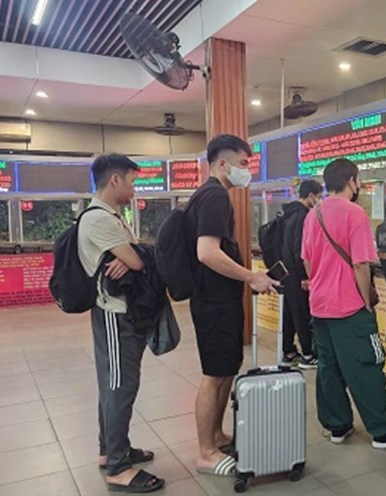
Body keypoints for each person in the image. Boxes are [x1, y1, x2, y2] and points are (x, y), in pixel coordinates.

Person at [302, 158, 386, 449]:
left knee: (329, 368)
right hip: (349, 306)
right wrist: (366, 301)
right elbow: (360, 265)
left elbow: (306, 260)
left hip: (319, 305)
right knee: (366, 365)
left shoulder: (313, 214)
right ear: (352, 181)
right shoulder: (354, 213)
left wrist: (321, 282)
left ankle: (337, 425)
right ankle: (384, 431)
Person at [186, 134, 280, 476]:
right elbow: (207, 252)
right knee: (214, 376)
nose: (247, 171)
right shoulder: (214, 197)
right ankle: (206, 452)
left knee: (225, 370)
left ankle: (216, 435)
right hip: (213, 302)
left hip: (219, 301)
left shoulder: (211, 195)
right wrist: (250, 277)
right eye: (243, 164)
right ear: (221, 163)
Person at [78, 154, 165, 492]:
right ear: (114, 180)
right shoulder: (99, 219)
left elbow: (135, 255)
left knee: (115, 385)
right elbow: (140, 259)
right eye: (131, 181)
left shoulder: (112, 215)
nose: (134, 188)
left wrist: (133, 256)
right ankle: (118, 467)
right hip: (114, 315)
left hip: (121, 313)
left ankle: (111, 449)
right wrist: (134, 257)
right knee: (120, 387)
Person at [280, 179, 323, 369]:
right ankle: (308, 354)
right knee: (302, 314)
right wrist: (305, 276)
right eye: (319, 196)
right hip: (298, 275)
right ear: (311, 196)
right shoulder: (303, 216)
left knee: (289, 313)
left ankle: (288, 351)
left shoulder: (289, 214)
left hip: (286, 273)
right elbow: (301, 249)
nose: (320, 200)